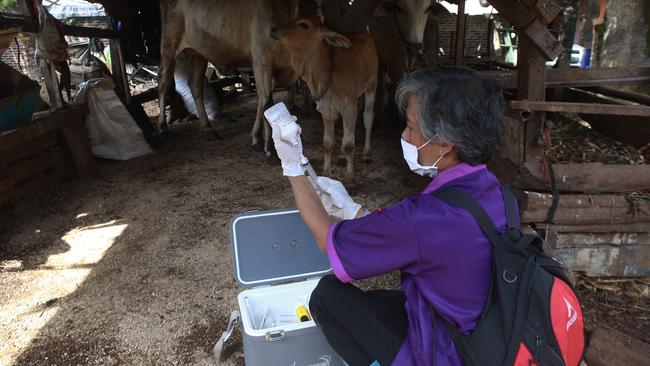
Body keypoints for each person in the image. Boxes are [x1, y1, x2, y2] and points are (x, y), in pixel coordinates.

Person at [271, 66, 508, 366]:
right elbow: (424, 242)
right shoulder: (494, 190)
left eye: (411, 127)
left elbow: (327, 242)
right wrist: (351, 209)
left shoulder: (426, 216)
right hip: (483, 335)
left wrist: (292, 166)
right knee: (378, 303)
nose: (405, 135)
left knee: (327, 296)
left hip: (445, 354)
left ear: (446, 143)